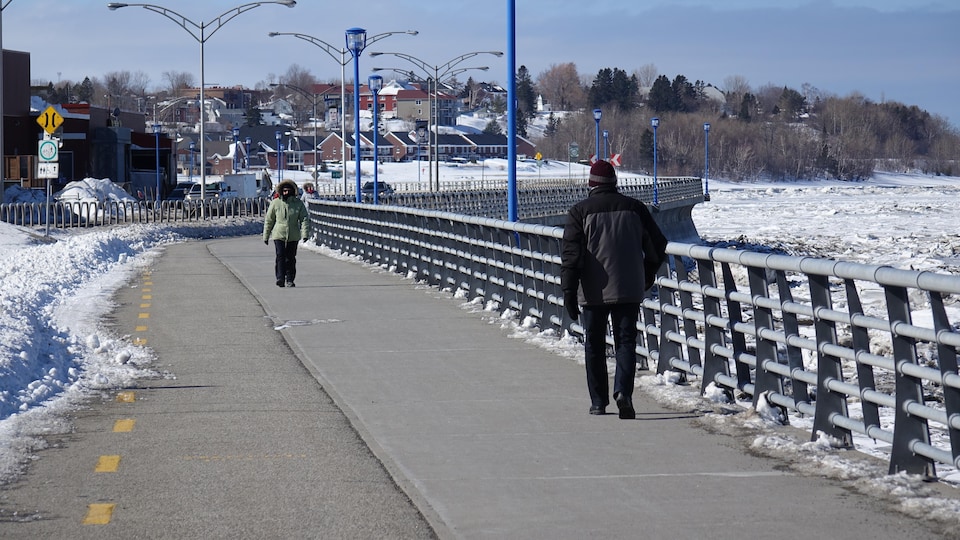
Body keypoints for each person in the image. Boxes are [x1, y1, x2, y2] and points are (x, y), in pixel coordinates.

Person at [560, 160, 668, 419]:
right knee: (626, 343)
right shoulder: (635, 208)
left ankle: (598, 402)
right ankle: (623, 393)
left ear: (591, 183)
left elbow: (571, 257)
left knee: (594, 346)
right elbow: (658, 245)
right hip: (629, 288)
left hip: (593, 292)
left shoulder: (579, 212)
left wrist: (569, 293)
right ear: (615, 182)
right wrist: (647, 274)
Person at [263, 180, 309, 288]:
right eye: (284, 191)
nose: (286, 193)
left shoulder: (298, 204)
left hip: (293, 235)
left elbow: (304, 219)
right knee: (280, 256)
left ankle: (290, 279)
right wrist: (266, 235)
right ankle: (280, 277)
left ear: (293, 191)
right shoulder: (276, 203)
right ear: (280, 191)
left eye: (288, 190)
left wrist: (305, 233)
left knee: (291, 258)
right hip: (279, 234)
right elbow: (269, 220)